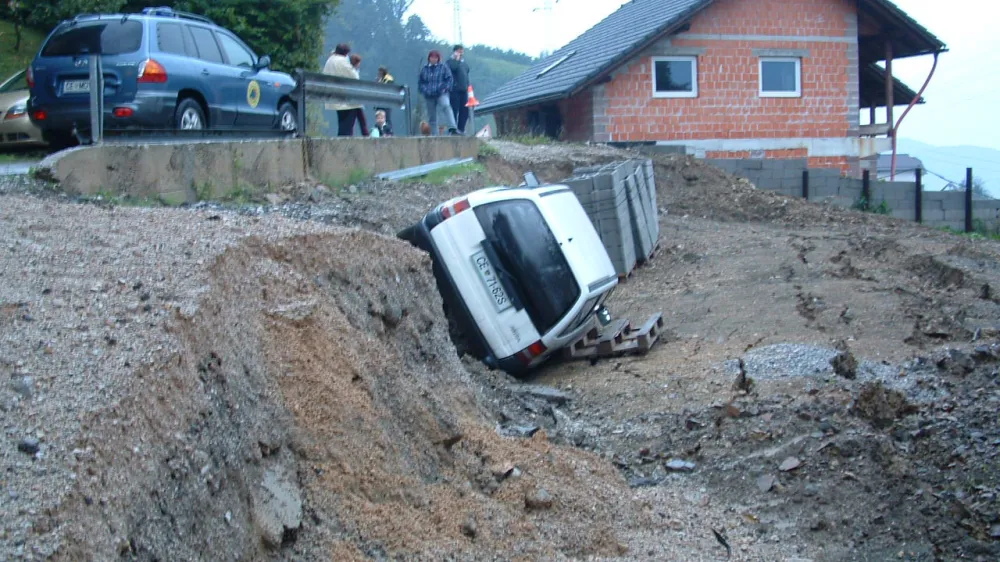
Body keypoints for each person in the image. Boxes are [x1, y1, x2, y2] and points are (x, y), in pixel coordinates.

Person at [322, 43, 363, 136]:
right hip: (346, 100)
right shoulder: (342, 61)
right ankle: (344, 146)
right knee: (347, 127)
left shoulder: (330, 60)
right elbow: (355, 77)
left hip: (333, 97)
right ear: (345, 53)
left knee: (342, 123)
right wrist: (355, 68)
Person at [418, 50, 460, 136]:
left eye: (435, 57)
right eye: (432, 57)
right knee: (432, 117)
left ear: (438, 58)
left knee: (446, 106)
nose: (433, 59)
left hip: (441, 93)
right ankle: (434, 134)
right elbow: (421, 83)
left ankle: (452, 127)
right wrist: (425, 90)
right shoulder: (424, 69)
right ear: (429, 58)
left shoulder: (443, 67)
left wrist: (445, 88)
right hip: (429, 95)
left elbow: (449, 79)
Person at [446, 44, 471, 134]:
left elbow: (467, 73)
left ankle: (461, 129)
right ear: (455, 51)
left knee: (464, 111)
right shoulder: (450, 62)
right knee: (454, 110)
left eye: (462, 51)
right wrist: (456, 59)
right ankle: (453, 129)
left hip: (464, 90)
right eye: (459, 51)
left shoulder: (464, 63)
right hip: (454, 90)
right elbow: (453, 68)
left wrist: (468, 86)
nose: (460, 53)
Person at [349, 53, 369, 136]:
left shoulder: (353, 71)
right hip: (355, 100)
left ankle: (365, 135)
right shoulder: (353, 72)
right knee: (361, 120)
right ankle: (366, 136)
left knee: (356, 120)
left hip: (354, 100)